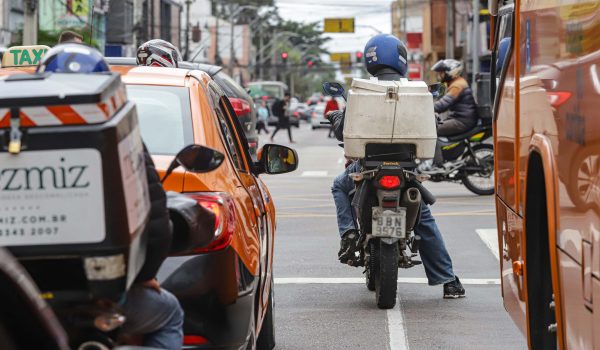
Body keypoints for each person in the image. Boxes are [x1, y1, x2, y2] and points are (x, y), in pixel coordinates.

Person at [38, 43, 185, 348]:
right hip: (103, 298)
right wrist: (145, 275)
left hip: (19, 295)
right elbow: (156, 219)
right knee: (170, 313)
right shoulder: (117, 135)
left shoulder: (12, 130)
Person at [327, 34, 465, 299]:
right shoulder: (417, 91)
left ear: (370, 59)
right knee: (423, 219)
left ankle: (348, 234)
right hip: (406, 170)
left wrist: (336, 116)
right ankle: (448, 281)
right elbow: (431, 125)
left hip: (367, 166)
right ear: (401, 58)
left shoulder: (361, 91)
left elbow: (342, 131)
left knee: (338, 186)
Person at [420, 59, 479, 172]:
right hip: (461, 118)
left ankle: (436, 164)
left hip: (462, 121)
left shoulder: (457, 85)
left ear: (451, 72)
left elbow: (444, 103)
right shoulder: (456, 83)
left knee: (432, 130)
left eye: (441, 72)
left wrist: (426, 109)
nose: (439, 76)